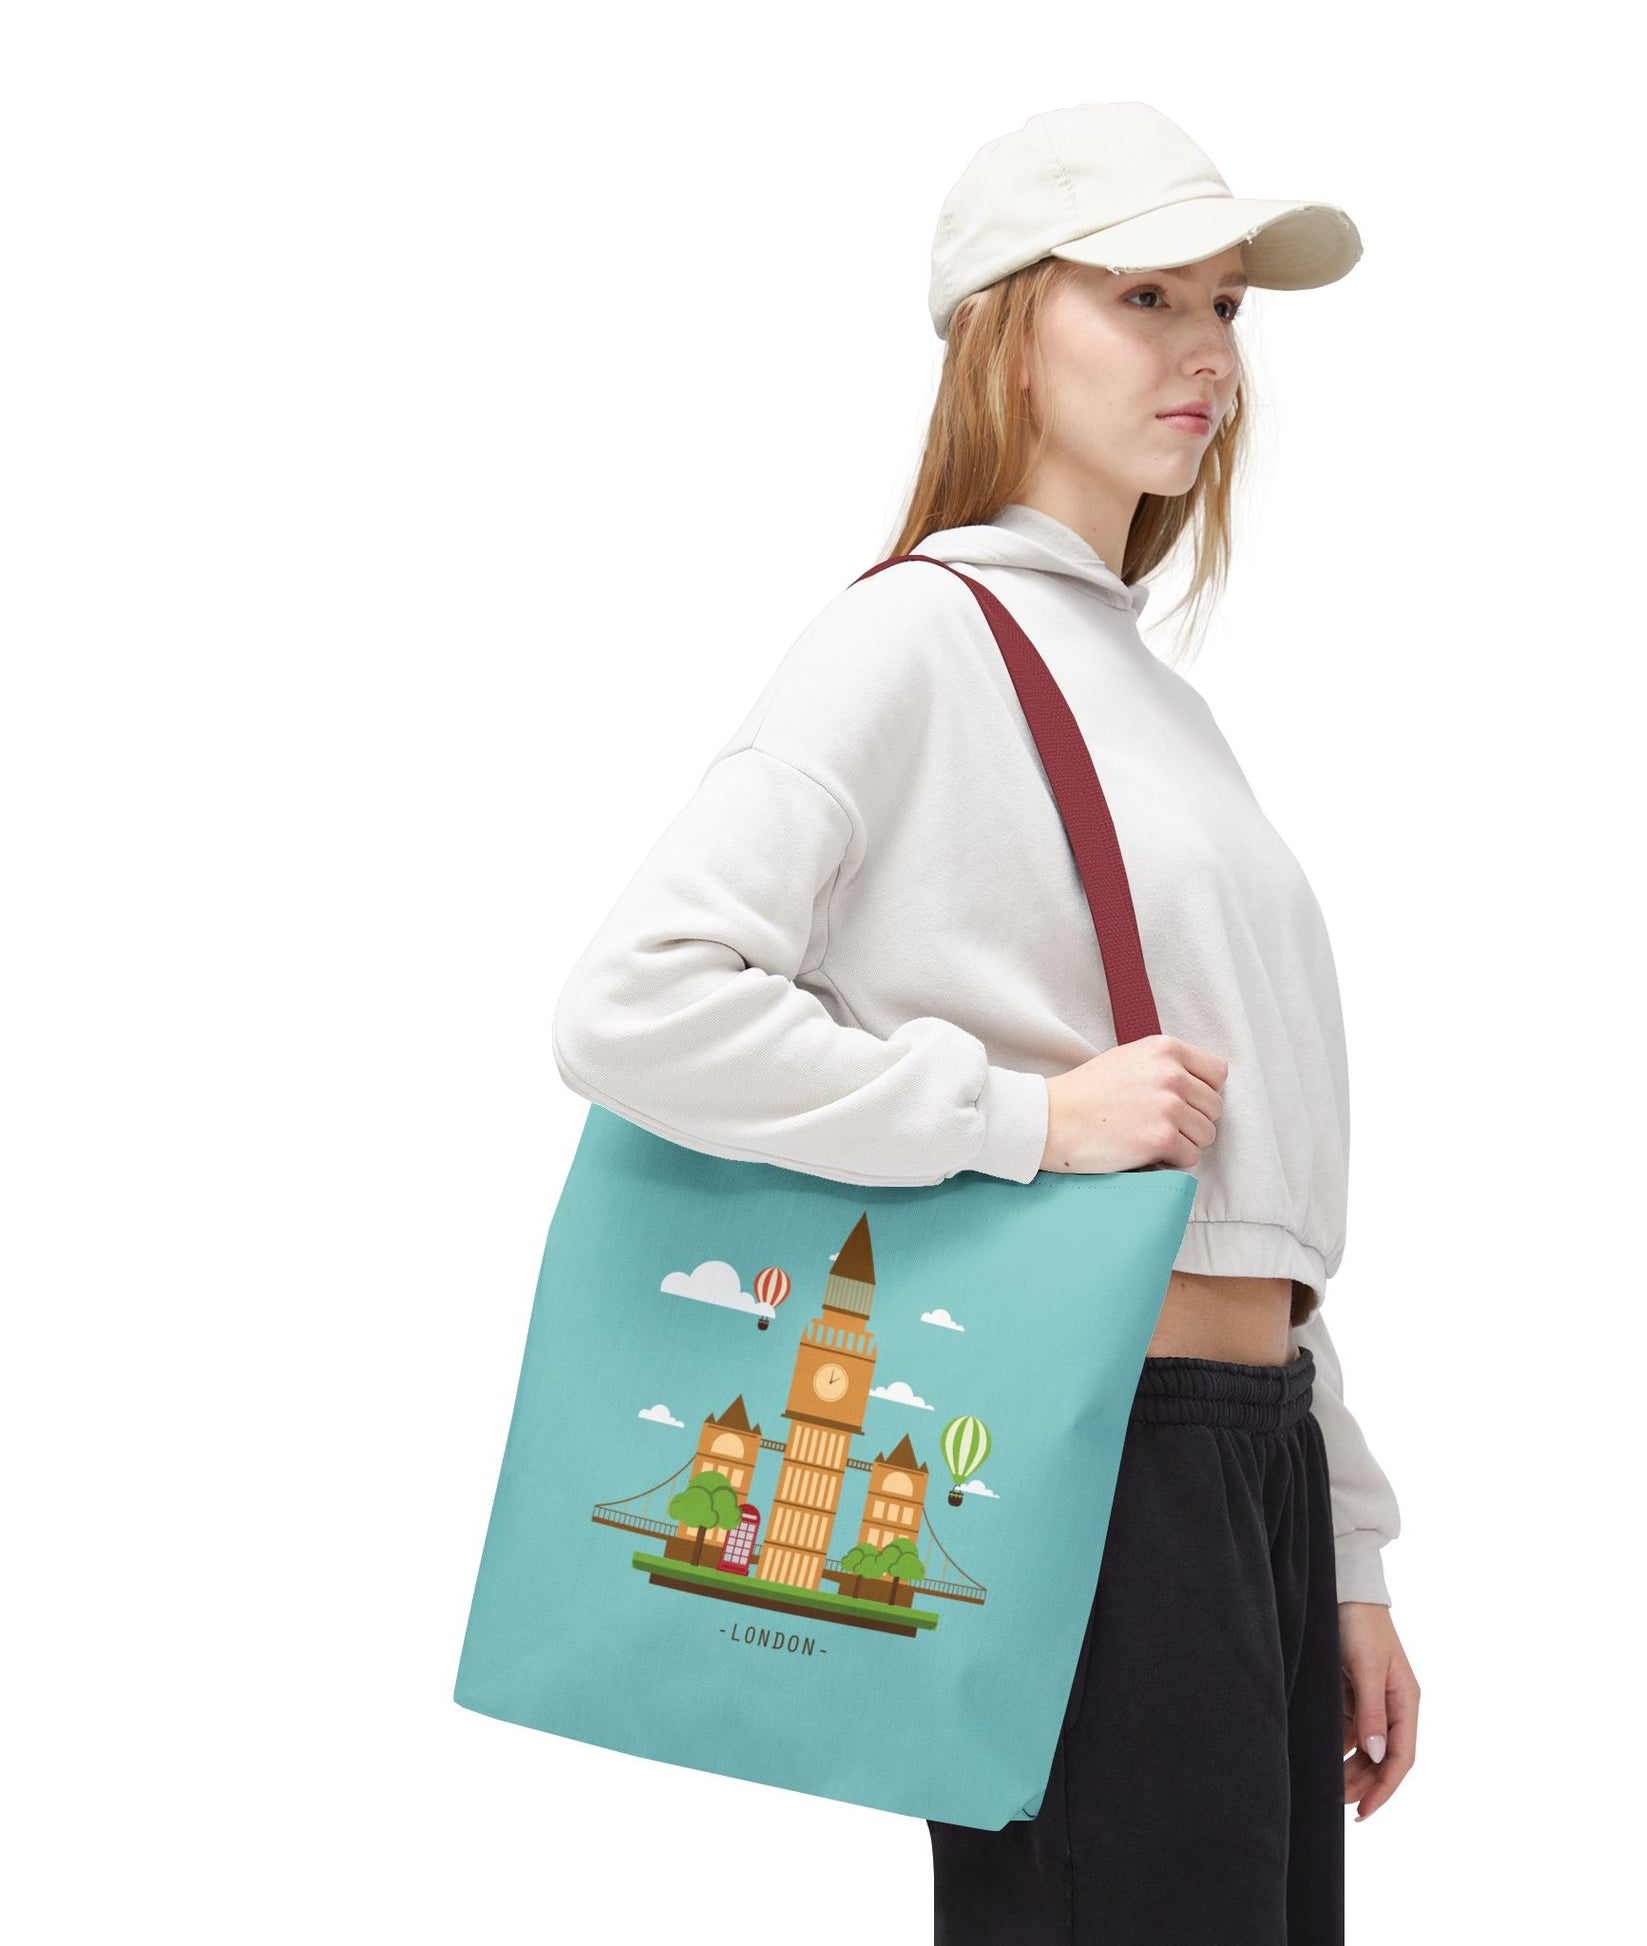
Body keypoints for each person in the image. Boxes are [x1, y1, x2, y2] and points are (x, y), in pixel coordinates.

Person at [550, 99, 1419, 1944]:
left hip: (1239, 1454)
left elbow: (1241, 1182)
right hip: (1096, 1453)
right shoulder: (912, 638)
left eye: (1226, 305)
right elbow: (634, 1004)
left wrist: (1341, 1542)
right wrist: (1026, 1119)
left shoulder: (1154, 699)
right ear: (1007, 331)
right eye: (1144, 296)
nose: (1206, 348)